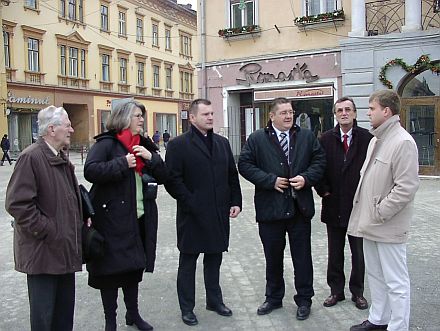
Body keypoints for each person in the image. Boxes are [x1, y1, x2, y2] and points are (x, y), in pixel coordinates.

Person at [238, 97, 326, 321]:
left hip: (299, 209)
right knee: (272, 257)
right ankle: (274, 297)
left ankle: (304, 299)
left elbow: (320, 161)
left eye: (291, 112)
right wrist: (270, 181)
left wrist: (306, 179)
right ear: (272, 116)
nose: (289, 116)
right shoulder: (257, 139)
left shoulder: (306, 136)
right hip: (271, 209)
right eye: (284, 112)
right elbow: (245, 165)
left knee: (302, 258)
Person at [84, 100, 168, 331]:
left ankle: (133, 314)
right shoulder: (108, 143)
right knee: (110, 274)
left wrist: (151, 159)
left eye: (142, 115)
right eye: (137, 115)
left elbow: (164, 175)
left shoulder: (143, 143)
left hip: (139, 217)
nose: (141, 119)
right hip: (111, 220)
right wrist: (123, 162)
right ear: (123, 117)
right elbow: (90, 171)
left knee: (133, 270)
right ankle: (110, 322)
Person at [165, 98, 242, 326]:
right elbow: (172, 180)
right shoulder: (178, 145)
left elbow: (231, 175)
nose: (210, 117)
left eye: (211, 113)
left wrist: (236, 200)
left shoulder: (222, 143)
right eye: (206, 114)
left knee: (214, 258)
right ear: (193, 117)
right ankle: (187, 307)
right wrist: (191, 202)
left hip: (218, 212)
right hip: (192, 214)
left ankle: (214, 300)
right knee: (188, 262)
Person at [5, 106, 83, 331]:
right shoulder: (31, 157)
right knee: (44, 320)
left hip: (63, 251)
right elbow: (17, 204)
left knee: (62, 318)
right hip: (43, 255)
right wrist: (49, 229)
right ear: (52, 129)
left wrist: (81, 216)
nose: (71, 129)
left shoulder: (60, 156)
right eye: (67, 125)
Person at [348, 90, 419, 331]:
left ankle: (398, 327)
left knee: (396, 282)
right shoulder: (376, 140)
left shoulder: (403, 142)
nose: (367, 113)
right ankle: (379, 320)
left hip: (388, 225)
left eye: (371, 109)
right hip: (370, 224)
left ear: (386, 111)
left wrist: (380, 212)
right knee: (376, 277)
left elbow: (406, 187)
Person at [315, 97, 372, 310]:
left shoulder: (367, 138)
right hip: (334, 204)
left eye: (348, 109)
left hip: (359, 206)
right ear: (335, 114)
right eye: (340, 110)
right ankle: (336, 291)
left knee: (358, 253)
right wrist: (324, 190)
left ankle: (357, 293)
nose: (344, 113)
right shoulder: (325, 139)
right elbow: (317, 167)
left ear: (355, 113)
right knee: (335, 252)